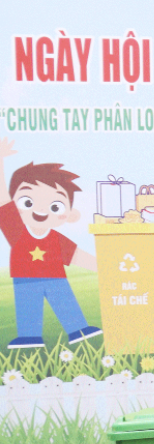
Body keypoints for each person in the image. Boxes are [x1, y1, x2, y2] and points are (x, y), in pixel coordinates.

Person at [0, 141, 102, 349]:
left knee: (66, 303)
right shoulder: (16, 230)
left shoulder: (56, 238)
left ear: (70, 215)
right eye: (27, 202)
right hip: (25, 280)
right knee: (28, 308)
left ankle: (78, 330)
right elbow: (3, 199)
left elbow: (78, 256)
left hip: (56, 279)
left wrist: (105, 268)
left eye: (55, 205)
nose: (40, 210)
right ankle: (29, 337)